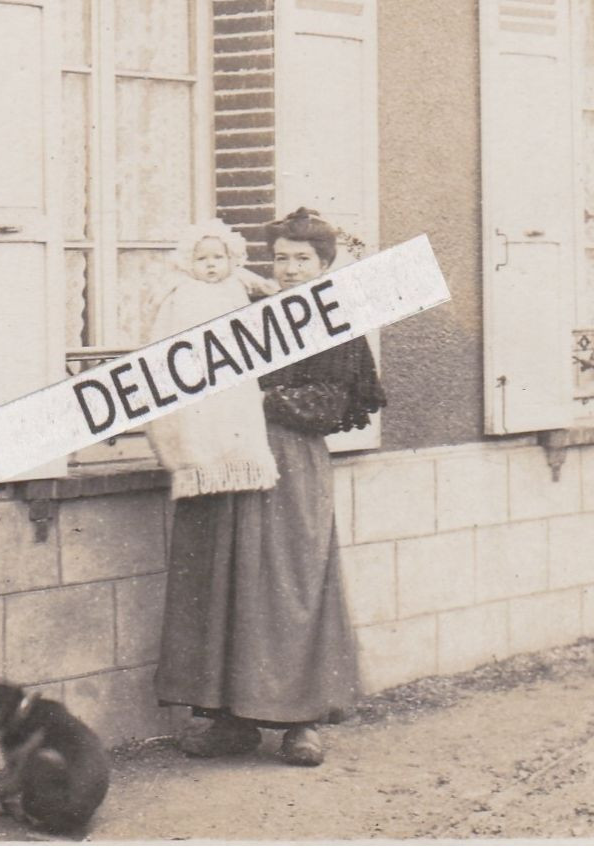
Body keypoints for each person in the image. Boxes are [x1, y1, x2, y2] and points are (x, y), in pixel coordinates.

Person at [155, 207, 386, 767]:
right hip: (226, 457)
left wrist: (257, 401)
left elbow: (331, 403)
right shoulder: (245, 306)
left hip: (288, 460)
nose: (288, 270)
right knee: (223, 579)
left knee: (289, 586)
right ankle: (227, 720)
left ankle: (299, 722)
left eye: (301, 259)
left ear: (324, 263)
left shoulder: (334, 321)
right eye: (280, 258)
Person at [142, 219, 279, 500]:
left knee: (235, 415)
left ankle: (237, 459)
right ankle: (198, 461)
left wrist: (267, 287)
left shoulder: (234, 283)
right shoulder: (184, 289)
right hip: (199, 362)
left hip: (232, 364)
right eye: (201, 258)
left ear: (232, 259)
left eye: (218, 257)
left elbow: (255, 282)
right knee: (198, 422)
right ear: (187, 262)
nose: (211, 265)